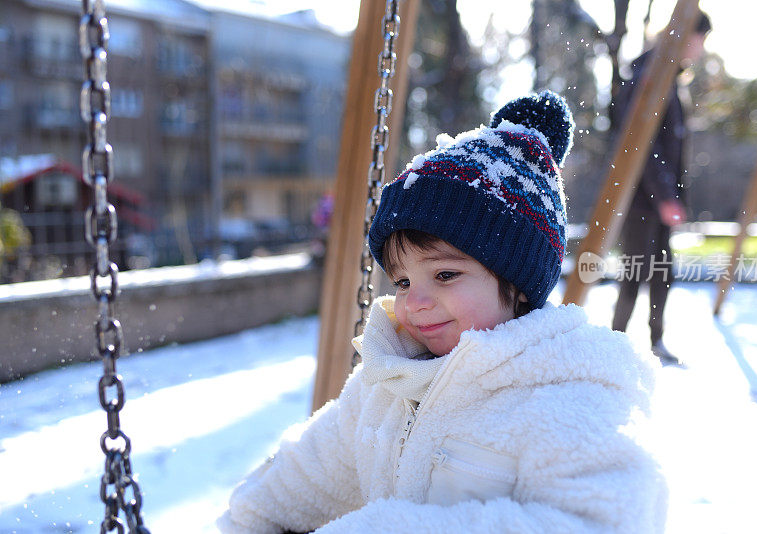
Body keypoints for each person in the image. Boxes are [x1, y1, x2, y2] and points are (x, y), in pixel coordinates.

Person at [218, 91, 666, 533]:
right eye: (403, 281)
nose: (415, 302)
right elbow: (307, 475)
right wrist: (247, 520)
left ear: (519, 281)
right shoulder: (389, 382)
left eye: (446, 275)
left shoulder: (570, 395)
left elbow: (607, 518)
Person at [611, 12, 712, 366]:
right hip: (641, 196)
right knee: (636, 270)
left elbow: (672, 147)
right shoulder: (649, 76)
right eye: (700, 39)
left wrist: (673, 197)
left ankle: (656, 340)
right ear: (685, 37)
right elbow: (644, 146)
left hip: (658, 198)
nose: (701, 49)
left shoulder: (670, 77)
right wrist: (665, 197)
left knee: (662, 271)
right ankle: (615, 341)